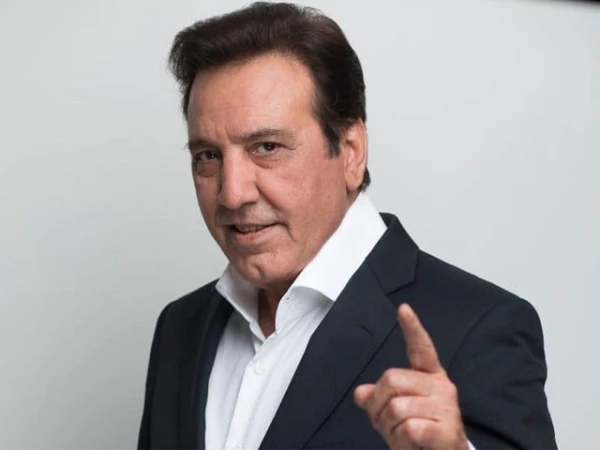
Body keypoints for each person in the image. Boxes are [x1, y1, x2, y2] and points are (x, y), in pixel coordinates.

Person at [137, 2, 556, 449]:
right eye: (208, 156)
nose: (232, 193)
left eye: (267, 147)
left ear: (351, 152)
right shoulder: (180, 327)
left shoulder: (479, 328)